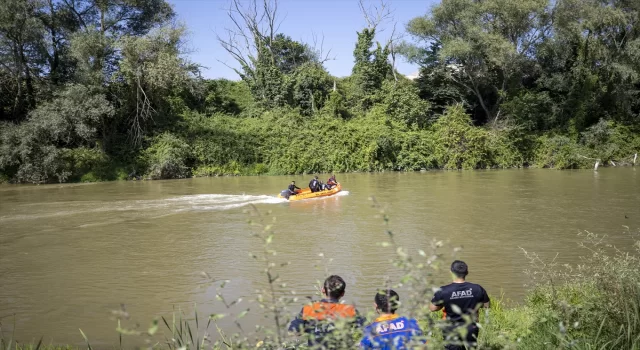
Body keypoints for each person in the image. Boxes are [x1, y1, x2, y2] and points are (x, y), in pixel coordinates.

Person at [289, 275, 365, 346]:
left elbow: (293, 331)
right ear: (343, 293)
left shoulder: (309, 308)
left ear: (323, 290)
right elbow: (367, 330)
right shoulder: (350, 311)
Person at [429, 260, 490, 350]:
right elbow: (486, 306)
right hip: (471, 327)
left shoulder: (443, 290)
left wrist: (444, 303)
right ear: (467, 272)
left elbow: (432, 308)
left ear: (451, 273)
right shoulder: (477, 288)